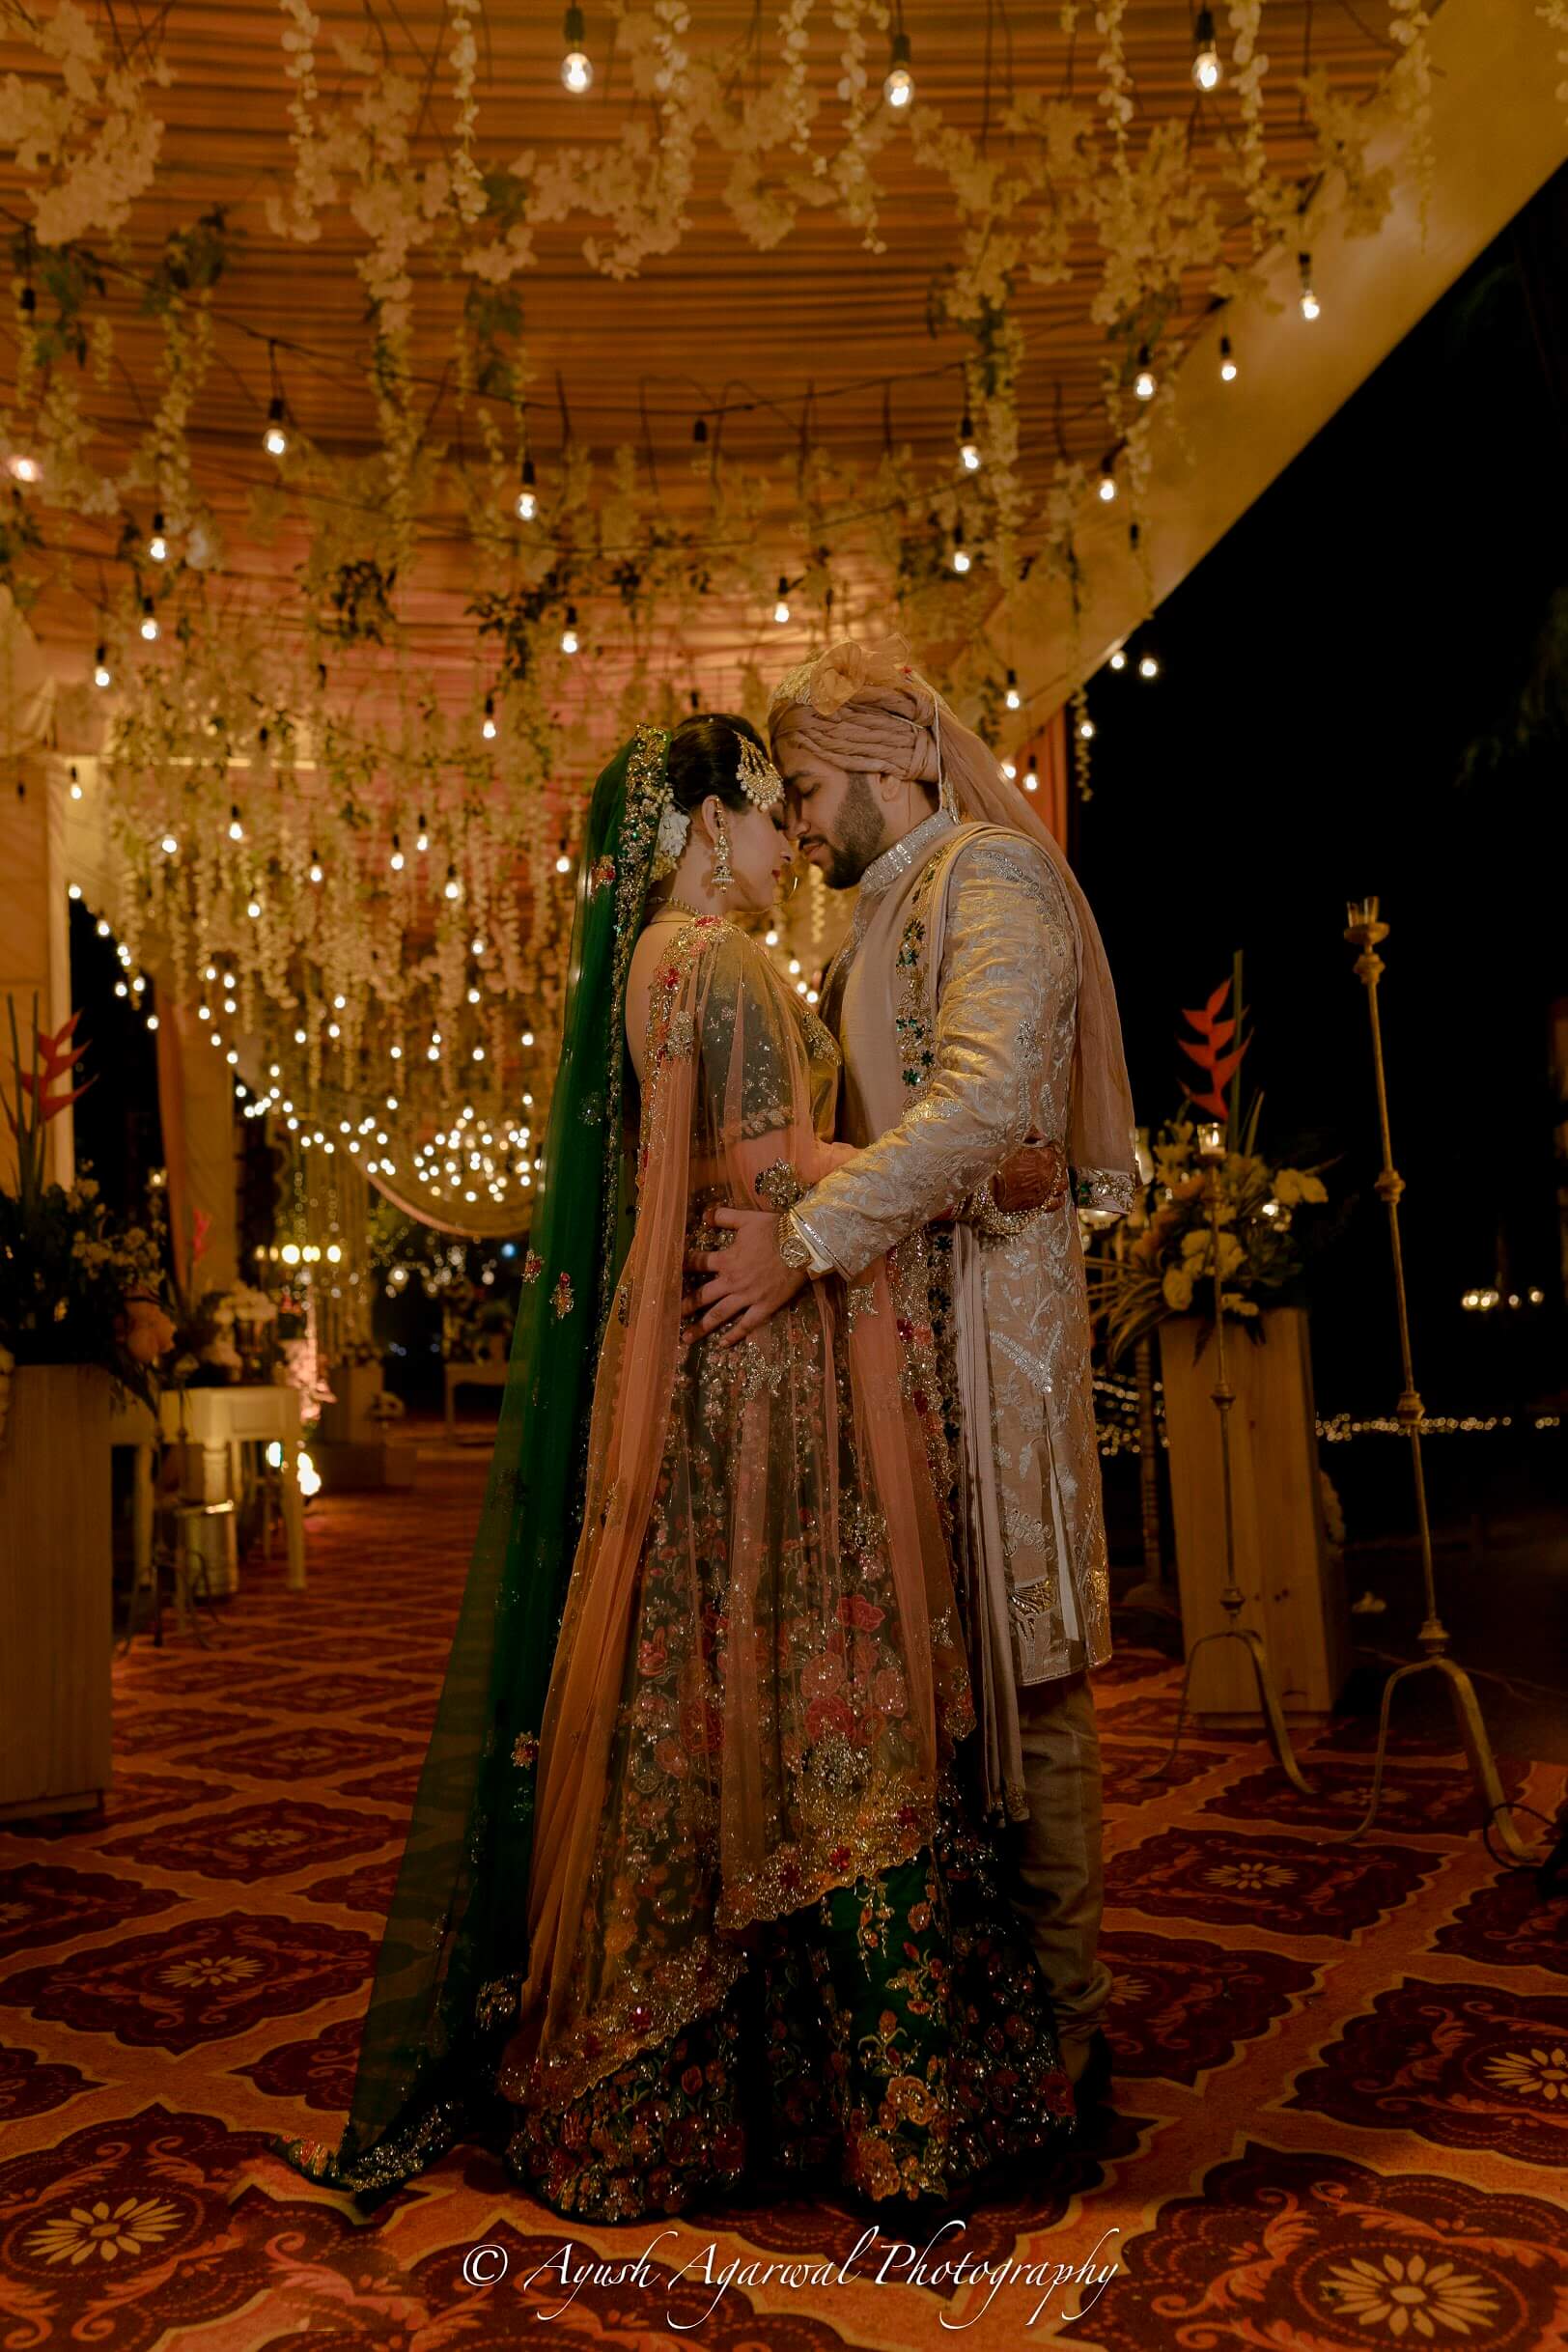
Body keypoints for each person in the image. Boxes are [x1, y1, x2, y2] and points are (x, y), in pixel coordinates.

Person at [286, 713, 1075, 2223]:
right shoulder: (710, 962)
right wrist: (973, 1166)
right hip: (773, 1372)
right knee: (831, 1700)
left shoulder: (656, 961)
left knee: (726, 1696)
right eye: (773, 814)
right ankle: (902, 2117)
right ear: (712, 821)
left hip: (734, 1358)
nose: (792, 846)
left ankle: (728, 2089)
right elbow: (764, 1172)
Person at [684, 639, 1137, 2109]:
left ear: (900, 763)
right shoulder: (871, 918)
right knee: (925, 1693)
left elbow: (987, 1110)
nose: (798, 823)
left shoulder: (988, 882)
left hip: (995, 1350)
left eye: (810, 789)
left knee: (1035, 1680)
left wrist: (805, 1235)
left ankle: (1069, 2042)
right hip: (900, 1354)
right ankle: (976, 2028)